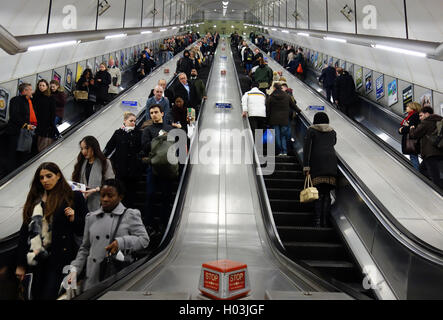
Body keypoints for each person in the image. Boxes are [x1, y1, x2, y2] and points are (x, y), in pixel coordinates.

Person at [16, 162, 88, 299]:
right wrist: (20, 264)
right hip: (37, 261)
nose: (45, 181)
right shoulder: (35, 200)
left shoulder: (73, 197)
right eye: (41, 177)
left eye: (49, 176)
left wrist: (74, 218)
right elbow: (25, 233)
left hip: (63, 260)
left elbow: (85, 229)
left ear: (58, 175)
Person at [68, 179, 149, 291]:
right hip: (92, 278)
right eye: (103, 195)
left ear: (120, 197)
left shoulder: (130, 215)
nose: (105, 199)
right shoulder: (91, 217)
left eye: (110, 196)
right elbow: (85, 248)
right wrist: (74, 270)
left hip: (118, 276)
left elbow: (144, 239)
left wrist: (121, 242)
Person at [141, 105, 181, 230]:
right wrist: (160, 138)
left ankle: (164, 223)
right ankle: (149, 224)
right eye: (151, 112)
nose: (153, 114)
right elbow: (145, 147)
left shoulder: (170, 128)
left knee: (166, 196)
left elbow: (177, 147)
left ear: (162, 113)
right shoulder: (147, 130)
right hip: (153, 167)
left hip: (168, 167)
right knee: (150, 195)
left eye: (156, 112)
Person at [303, 112, 338, 227]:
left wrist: (306, 166)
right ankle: (325, 221)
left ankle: (317, 220)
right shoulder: (332, 131)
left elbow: (307, 149)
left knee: (317, 193)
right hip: (331, 163)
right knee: (327, 193)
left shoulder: (311, 131)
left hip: (317, 163)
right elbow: (334, 142)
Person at [104, 112, 142, 209]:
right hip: (121, 169)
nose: (133, 123)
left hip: (134, 170)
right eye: (131, 121)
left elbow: (142, 148)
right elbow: (109, 147)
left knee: (132, 194)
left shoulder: (139, 133)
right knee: (120, 193)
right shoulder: (118, 133)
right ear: (125, 121)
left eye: (135, 121)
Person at [72, 136, 115, 212]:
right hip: (84, 205)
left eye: (86, 148)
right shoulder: (81, 164)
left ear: (94, 147)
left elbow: (111, 184)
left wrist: (95, 190)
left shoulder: (104, 162)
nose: (84, 151)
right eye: (82, 149)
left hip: (101, 204)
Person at [5, 83, 37, 173]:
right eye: (30, 89)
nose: (32, 91)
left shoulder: (28, 101)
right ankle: (10, 173)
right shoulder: (15, 100)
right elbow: (14, 115)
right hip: (15, 132)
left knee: (23, 152)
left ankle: (20, 171)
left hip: (25, 132)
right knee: (13, 153)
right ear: (25, 91)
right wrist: (26, 125)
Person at [409, 107, 443, 188]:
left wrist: (411, 129)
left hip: (430, 153)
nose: (420, 118)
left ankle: (439, 192)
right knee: (422, 170)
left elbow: (414, 135)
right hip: (440, 150)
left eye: (421, 116)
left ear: (427, 114)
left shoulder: (426, 122)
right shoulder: (439, 120)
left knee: (434, 176)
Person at [266, 83, 301, 156]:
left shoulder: (271, 97)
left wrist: (267, 119)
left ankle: (279, 151)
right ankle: (284, 151)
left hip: (274, 120)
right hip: (284, 120)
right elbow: (293, 106)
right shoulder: (287, 96)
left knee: (277, 135)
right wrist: (299, 111)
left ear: (274, 88)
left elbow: (267, 109)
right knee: (283, 136)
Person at [33, 79, 57, 152]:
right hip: (37, 122)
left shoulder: (50, 97)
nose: (41, 87)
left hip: (46, 123)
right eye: (40, 85)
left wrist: (51, 123)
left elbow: (53, 112)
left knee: (43, 141)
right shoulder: (35, 96)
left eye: (43, 85)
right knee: (38, 139)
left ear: (47, 87)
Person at [398, 102, 422, 170]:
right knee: (413, 156)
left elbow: (412, 127)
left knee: (413, 156)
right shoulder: (410, 116)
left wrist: (402, 130)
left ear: (413, 107)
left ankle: (418, 174)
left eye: (408, 107)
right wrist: (401, 129)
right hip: (411, 140)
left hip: (412, 140)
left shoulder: (415, 116)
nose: (406, 108)